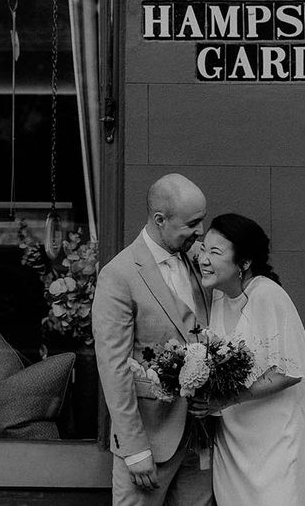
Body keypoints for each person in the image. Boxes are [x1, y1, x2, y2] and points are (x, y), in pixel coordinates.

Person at [92, 173, 213, 506]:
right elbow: (113, 368)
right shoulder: (118, 275)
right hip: (151, 442)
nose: (200, 231)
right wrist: (134, 448)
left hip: (199, 438)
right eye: (192, 223)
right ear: (160, 220)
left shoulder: (199, 260)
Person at [191, 213, 305, 505]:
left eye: (215, 252)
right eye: (203, 249)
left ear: (245, 262)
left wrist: (226, 400)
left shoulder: (267, 295)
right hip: (233, 444)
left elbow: (290, 371)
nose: (204, 258)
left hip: (273, 443)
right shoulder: (220, 296)